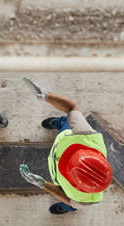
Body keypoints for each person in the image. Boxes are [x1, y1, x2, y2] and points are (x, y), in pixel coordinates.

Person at [19, 78, 112, 214]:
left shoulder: (84, 200)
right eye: (72, 156)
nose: (64, 157)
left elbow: (69, 199)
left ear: (76, 184)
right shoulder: (87, 136)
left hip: (75, 198)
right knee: (68, 122)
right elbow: (71, 108)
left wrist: (43, 184)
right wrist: (46, 95)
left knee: (73, 204)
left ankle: (68, 208)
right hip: (66, 136)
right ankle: (61, 122)